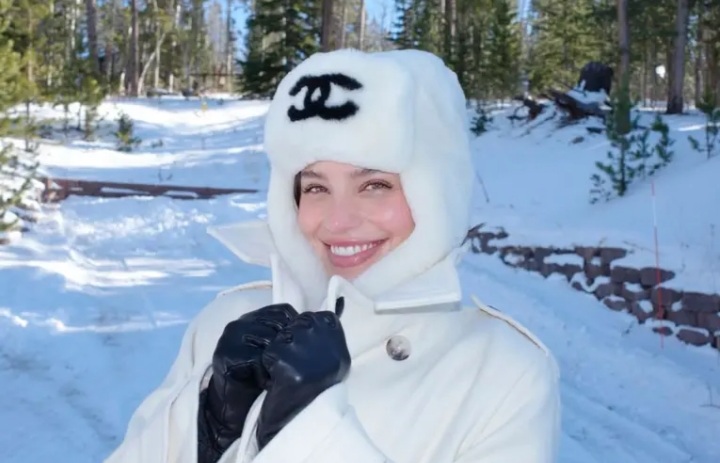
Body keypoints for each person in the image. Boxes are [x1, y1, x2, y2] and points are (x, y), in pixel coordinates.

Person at [104, 48, 561, 463]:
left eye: (375, 185)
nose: (338, 221)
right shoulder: (227, 321)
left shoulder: (503, 374)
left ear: (437, 193)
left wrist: (308, 434)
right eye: (316, 187)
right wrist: (205, 429)